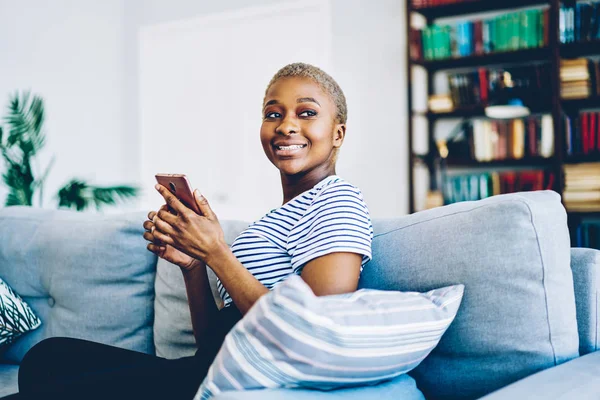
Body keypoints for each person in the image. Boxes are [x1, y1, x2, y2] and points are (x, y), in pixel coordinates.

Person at [5, 62, 373, 400]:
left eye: (306, 113)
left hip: (252, 384)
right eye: (273, 114)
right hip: (212, 369)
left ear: (338, 133)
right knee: (47, 358)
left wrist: (217, 252)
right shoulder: (273, 220)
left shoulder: (337, 201)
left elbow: (312, 335)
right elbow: (212, 343)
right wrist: (194, 266)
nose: (286, 125)